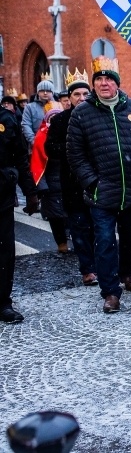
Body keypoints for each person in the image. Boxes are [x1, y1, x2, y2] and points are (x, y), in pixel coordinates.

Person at [67, 56, 131, 313]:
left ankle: (127, 273)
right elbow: (75, 153)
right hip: (101, 191)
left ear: (117, 83)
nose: (104, 83)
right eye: (99, 79)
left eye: (109, 78)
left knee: (130, 237)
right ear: (93, 83)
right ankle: (110, 291)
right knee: (105, 239)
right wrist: (91, 182)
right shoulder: (82, 113)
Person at [45, 68, 96, 286]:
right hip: (72, 183)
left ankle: (102, 266)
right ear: (69, 97)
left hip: (97, 182)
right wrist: (72, 149)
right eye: (77, 95)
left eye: (85, 94)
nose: (82, 98)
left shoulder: (98, 116)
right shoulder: (59, 121)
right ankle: (87, 269)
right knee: (79, 228)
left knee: (100, 228)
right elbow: (50, 148)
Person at [0, 91, 38, 323]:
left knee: (4, 252)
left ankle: (3, 302)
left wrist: (30, 192)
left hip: (1, 195)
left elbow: (20, 157)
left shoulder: (6, 118)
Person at [31, 103, 69, 253]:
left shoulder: (69, 133)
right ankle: (62, 243)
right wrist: (42, 186)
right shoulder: (41, 137)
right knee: (56, 218)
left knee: (70, 216)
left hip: (66, 183)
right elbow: (37, 164)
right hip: (51, 186)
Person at [21, 75, 55, 147]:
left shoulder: (58, 105)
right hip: (36, 144)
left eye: (48, 91)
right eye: (42, 91)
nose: (45, 93)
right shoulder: (29, 107)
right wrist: (33, 140)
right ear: (38, 92)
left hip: (55, 143)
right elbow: (26, 124)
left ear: (52, 93)